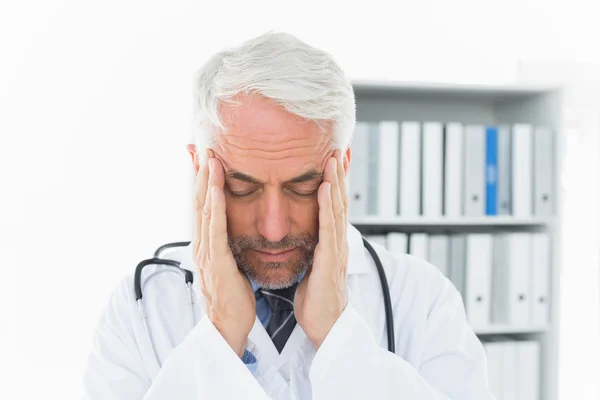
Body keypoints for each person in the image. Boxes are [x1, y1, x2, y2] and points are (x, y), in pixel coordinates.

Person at [83, 31, 494, 399]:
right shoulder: (140, 308)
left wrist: (339, 339)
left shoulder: (421, 301)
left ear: (343, 165)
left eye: (302, 188)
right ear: (200, 169)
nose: (274, 229)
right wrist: (221, 336)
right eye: (243, 189)